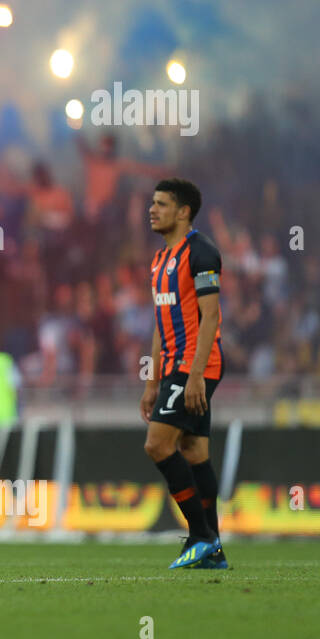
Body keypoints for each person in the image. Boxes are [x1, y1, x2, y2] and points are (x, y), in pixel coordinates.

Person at [139, 179, 227, 570]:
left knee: (157, 445)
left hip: (196, 365)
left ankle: (201, 536)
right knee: (194, 452)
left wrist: (193, 377)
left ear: (183, 211)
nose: (152, 210)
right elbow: (160, 324)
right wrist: (152, 380)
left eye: (161, 204)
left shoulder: (201, 252)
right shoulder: (159, 261)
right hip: (173, 367)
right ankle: (215, 549)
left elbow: (210, 317)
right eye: (152, 203)